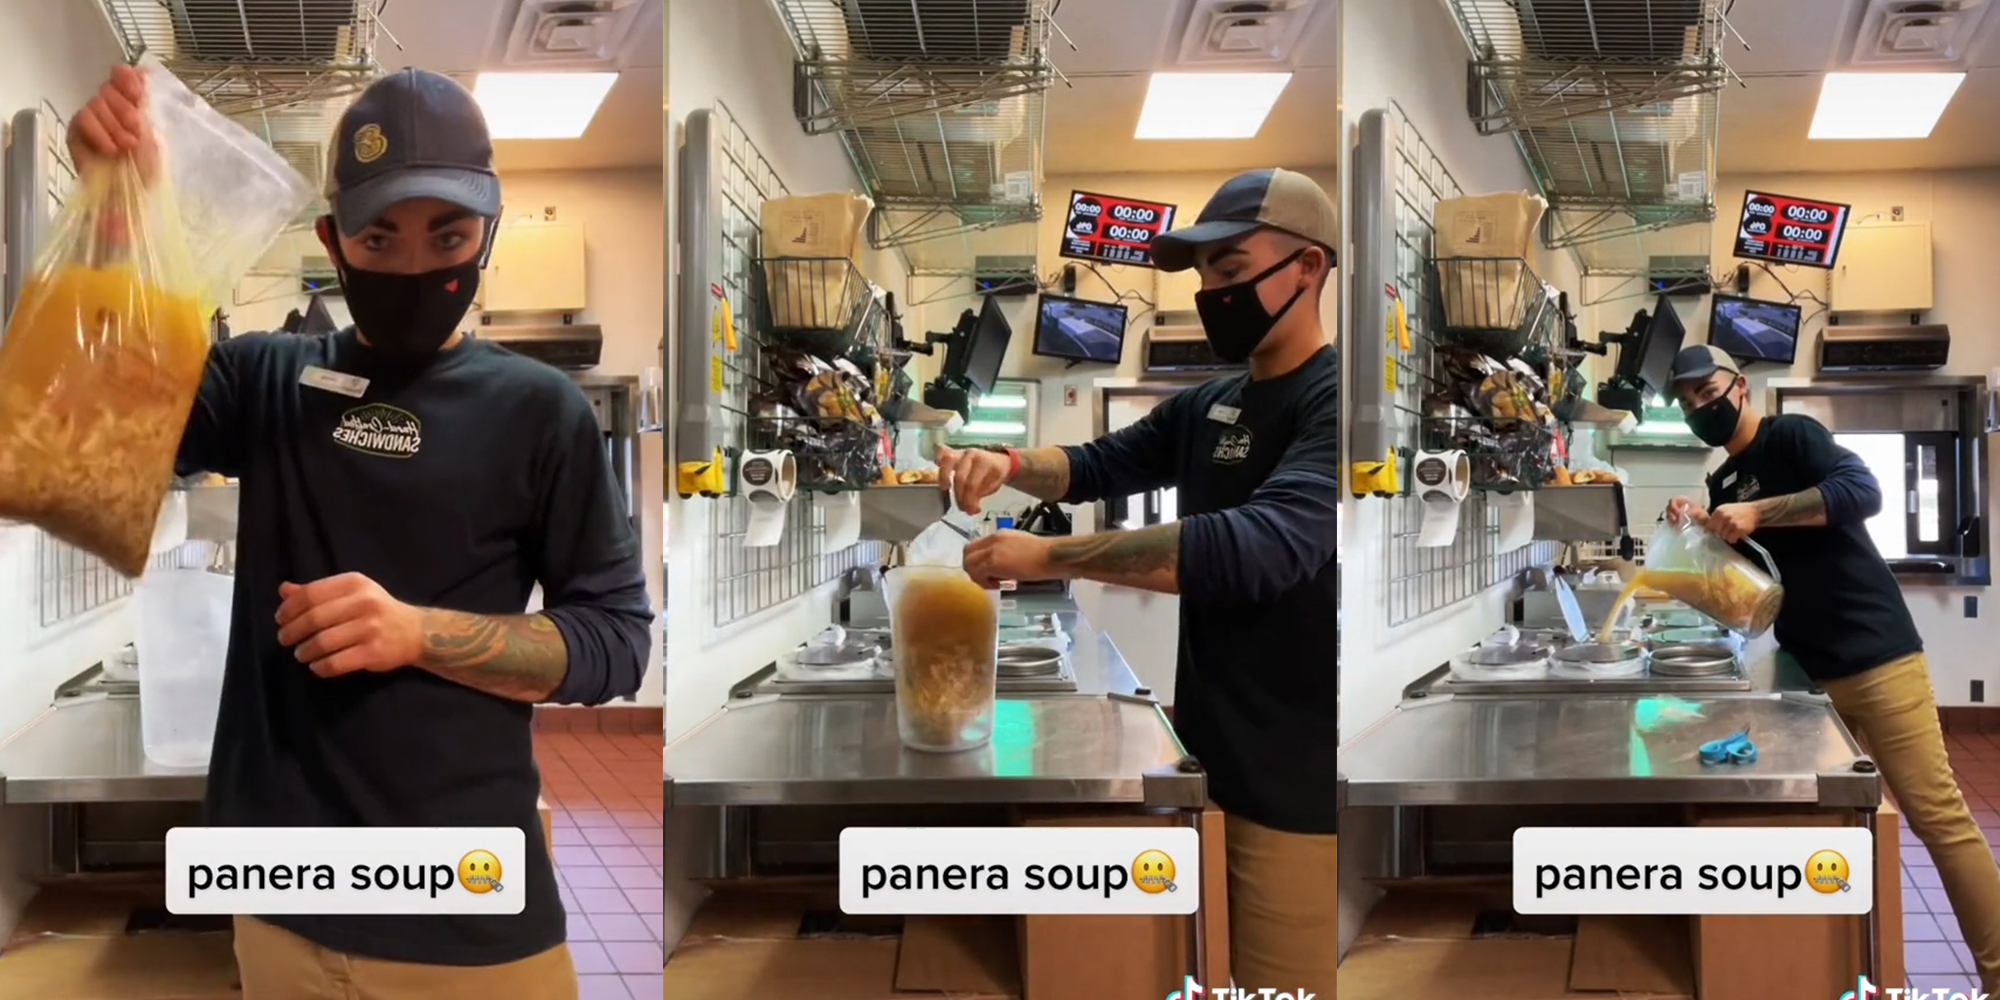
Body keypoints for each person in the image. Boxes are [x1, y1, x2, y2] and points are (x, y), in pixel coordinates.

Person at [70, 66, 651, 999]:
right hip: (283, 900)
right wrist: (111, 206)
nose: (417, 268)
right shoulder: (263, 382)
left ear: (487, 234)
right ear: (333, 244)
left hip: (472, 910)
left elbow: (616, 642)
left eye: (448, 236)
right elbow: (99, 411)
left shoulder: (543, 414)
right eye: (381, 237)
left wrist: (417, 633)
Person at [937, 168, 1341, 995]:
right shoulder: (1211, 404)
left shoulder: (1340, 405)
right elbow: (1095, 464)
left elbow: (1258, 549)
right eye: (1204, 279)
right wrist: (1006, 462)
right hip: (1210, 756)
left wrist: (1046, 558)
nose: (1212, 294)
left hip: (1295, 780)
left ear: (1309, 268)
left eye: (1231, 272)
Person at [1664, 343, 2000, 992]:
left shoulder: (1793, 436)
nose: (1698, 408)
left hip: (1878, 657)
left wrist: (1760, 511)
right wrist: (1700, 534)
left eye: (1706, 393)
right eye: (1686, 402)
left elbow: (1862, 490)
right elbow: (1758, 586)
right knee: (1835, 824)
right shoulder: (1722, 481)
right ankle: (1833, 968)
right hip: (1809, 680)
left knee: (1939, 819)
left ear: (1739, 388)